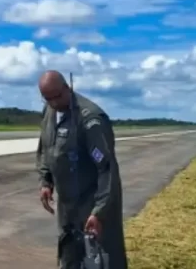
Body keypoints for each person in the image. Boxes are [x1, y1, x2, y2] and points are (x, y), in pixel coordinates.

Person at [36, 70, 128, 269]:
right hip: (68, 206)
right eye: (47, 99)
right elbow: (46, 148)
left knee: (101, 260)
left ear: (67, 88)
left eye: (57, 96)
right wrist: (46, 180)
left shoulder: (90, 119)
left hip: (92, 203)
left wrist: (100, 212)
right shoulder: (50, 113)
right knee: (70, 257)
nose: (53, 103)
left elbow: (106, 169)